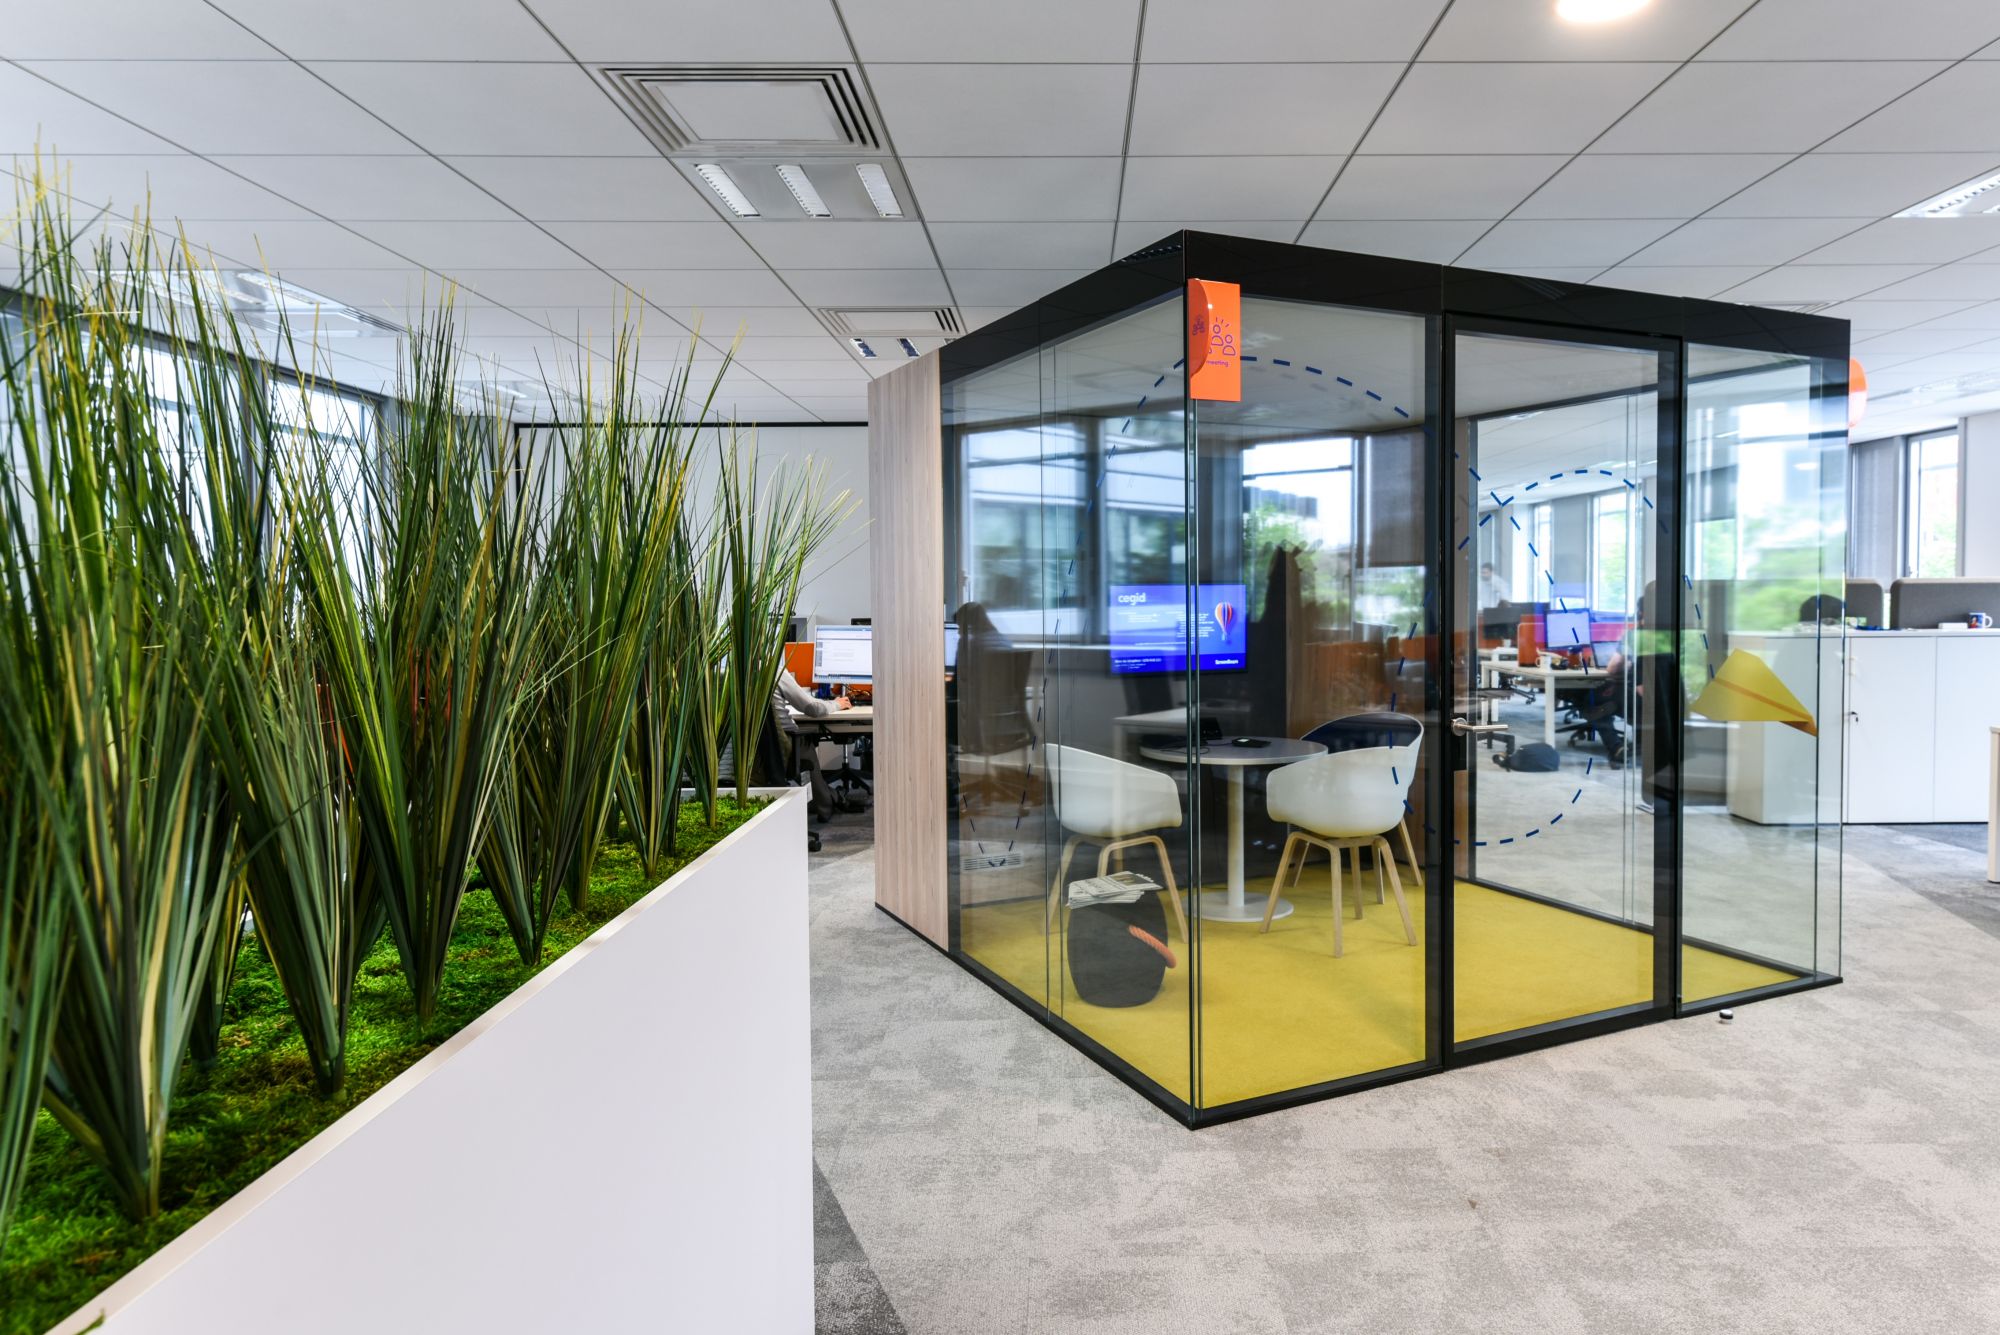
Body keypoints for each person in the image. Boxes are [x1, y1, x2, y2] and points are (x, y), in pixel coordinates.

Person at [773, 669, 850, 820]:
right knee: (805, 741)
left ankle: (824, 797)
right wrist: (836, 704)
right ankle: (824, 803)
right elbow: (813, 708)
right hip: (783, 744)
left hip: (747, 752)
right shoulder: (775, 671)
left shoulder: (729, 673)